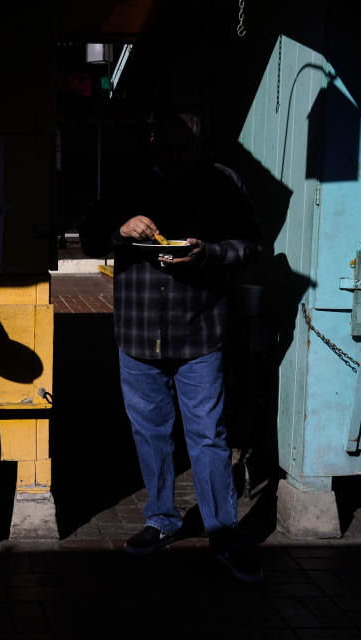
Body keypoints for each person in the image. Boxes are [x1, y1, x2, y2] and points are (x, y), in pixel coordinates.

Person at [79, 106, 263, 582]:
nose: (175, 155)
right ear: (154, 142)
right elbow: (88, 238)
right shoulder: (128, 182)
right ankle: (161, 520)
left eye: (184, 147)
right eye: (166, 145)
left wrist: (211, 253)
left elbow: (251, 244)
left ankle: (223, 531)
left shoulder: (222, 183)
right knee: (151, 433)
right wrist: (119, 230)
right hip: (138, 331)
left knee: (208, 436)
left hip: (200, 329)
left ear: (198, 144)